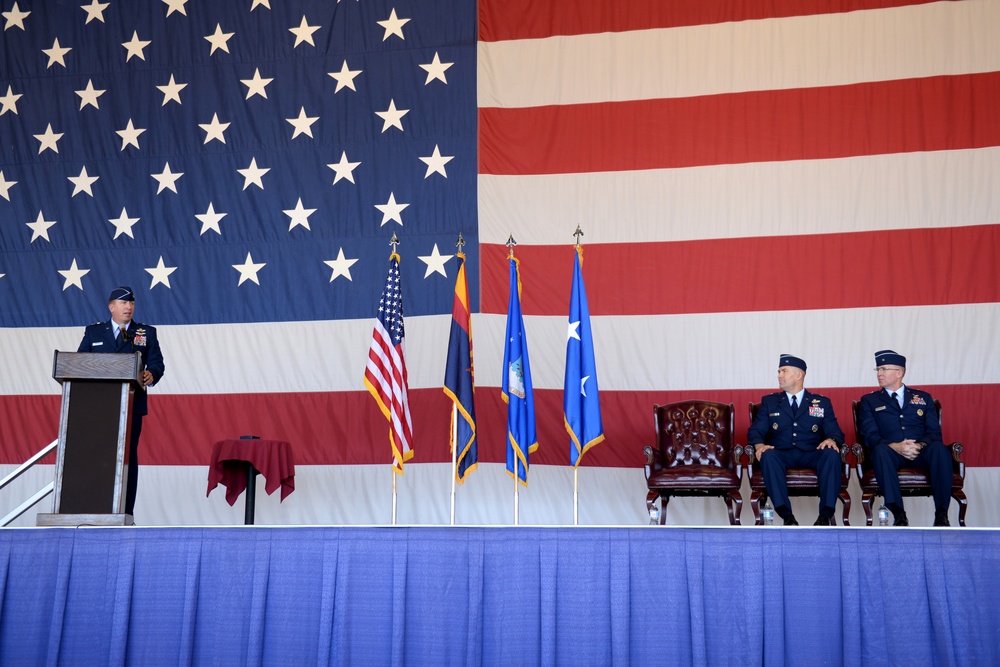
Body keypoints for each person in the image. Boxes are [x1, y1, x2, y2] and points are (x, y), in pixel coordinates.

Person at [78, 286, 165, 517]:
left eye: (132, 303)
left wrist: (152, 374)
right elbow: (78, 364)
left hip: (132, 406)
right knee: (97, 456)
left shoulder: (145, 332)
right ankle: (95, 511)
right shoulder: (93, 333)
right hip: (98, 408)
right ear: (111, 307)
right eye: (123, 303)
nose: (129, 307)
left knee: (127, 459)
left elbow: (157, 363)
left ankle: (125, 513)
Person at [747, 354, 845, 525]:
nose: (779, 375)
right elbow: (756, 431)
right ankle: (786, 515)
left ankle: (825, 514)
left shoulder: (821, 403)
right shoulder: (770, 402)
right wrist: (759, 445)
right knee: (768, 455)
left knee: (831, 454)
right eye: (778, 371)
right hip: (782, 454)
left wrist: (832, 439)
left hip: (811, 453)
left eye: (784, 371)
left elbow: (835, 431)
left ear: (798, 375)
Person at [857, 350, 951, 527]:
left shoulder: (923, 398)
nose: (879, 373)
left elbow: (934, 433)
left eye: (884, 369)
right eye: (877, 369)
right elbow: (869, 436)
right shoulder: (870, 401)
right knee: (879, 451)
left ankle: (941, 514)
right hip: (891, 453)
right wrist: (896, 446)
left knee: (939, 448)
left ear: (899, 372)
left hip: (920, 451)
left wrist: (920, 445)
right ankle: (899, 514)